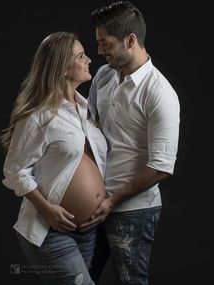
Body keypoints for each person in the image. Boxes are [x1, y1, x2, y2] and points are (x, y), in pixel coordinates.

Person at [80, 1, 180, 285]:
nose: (98, 51)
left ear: (130, 40)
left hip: (133, 211)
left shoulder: (159, 94)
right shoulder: (103, 76)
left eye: (105, 43)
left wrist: (113, 199)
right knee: (78, 278)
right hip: (95, 202)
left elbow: (161, 167)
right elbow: (91, 131)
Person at [0, 31, 108, 285]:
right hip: (50, 230)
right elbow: (14, 170)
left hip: (88, 230)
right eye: (81, 56)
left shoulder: (86, 109)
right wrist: (47, 210)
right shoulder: (39, 115)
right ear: (61, 68)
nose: (89, 59)